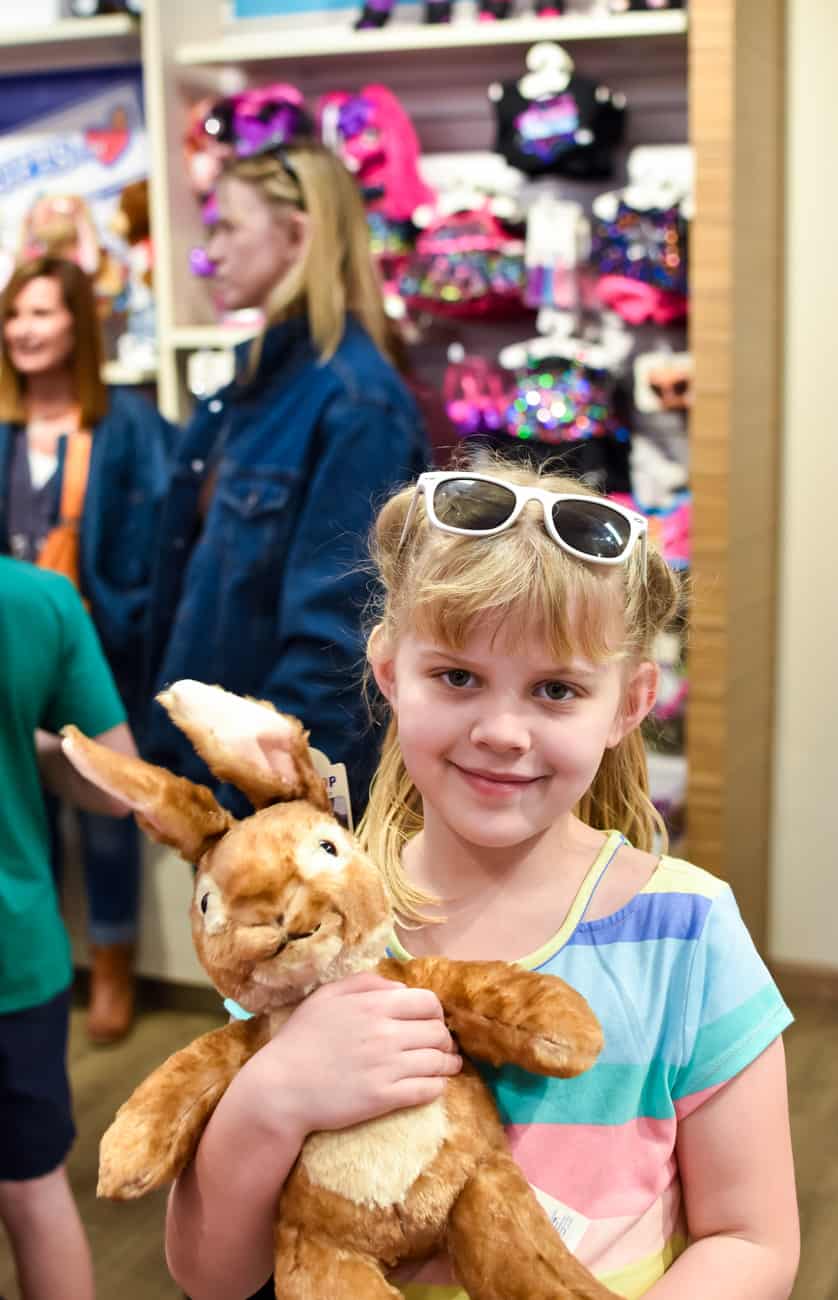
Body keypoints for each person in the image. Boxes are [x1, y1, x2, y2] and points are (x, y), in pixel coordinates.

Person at [163, 460, 799, 1300]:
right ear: (389, 670)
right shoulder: (314, 926)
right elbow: (211, 1275)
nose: (502, 731)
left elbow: (751, 1239)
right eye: (457, 676)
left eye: (555, 690)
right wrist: (273, 1096)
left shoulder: (687, 931)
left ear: (629, 703)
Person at [144, 140, 429, 819]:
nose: (208, 250)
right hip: (210, 772)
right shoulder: (253, 388)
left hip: (268, 799)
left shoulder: (356, 404)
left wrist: (265, 806)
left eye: (227, 226)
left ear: (296, 235)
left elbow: (337, 643)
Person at [0, 255, 175, 1042]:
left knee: (110, 809)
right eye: (14, 315)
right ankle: (43, 965)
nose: (24, 331)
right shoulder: (2, 425)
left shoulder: (128, 424)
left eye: (41, 313)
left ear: (78, 322)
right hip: (14, 645)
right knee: (21, 804)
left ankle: (111, 965)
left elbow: (162, 541)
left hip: (102, 644)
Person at [0, 557, 138, 1300]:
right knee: (32, 1187)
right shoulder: (35, 598)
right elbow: (118, 787)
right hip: (13, 952)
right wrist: (31, 743)